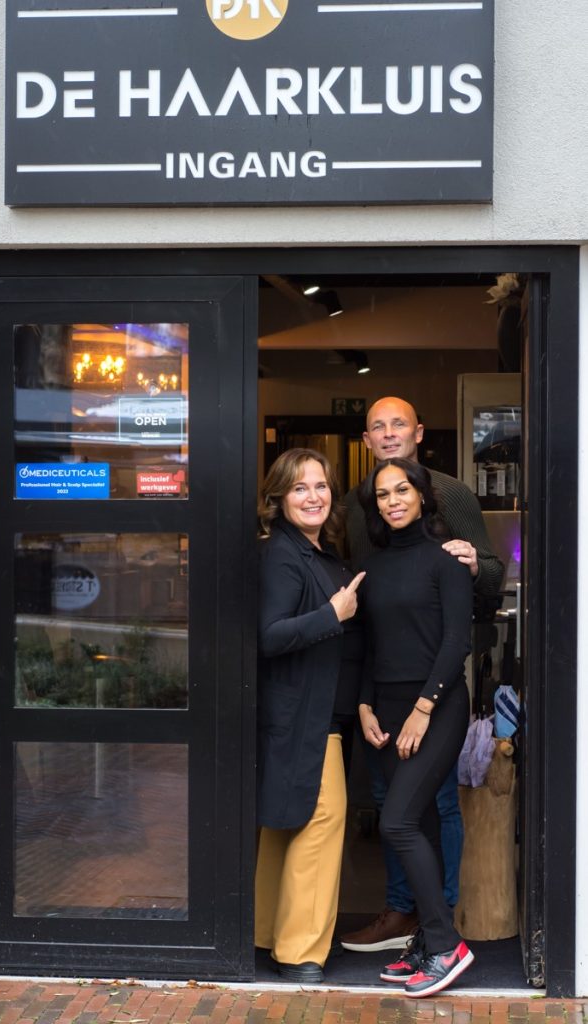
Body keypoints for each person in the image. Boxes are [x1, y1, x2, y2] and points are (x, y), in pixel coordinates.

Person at [341, 396, 504, 953]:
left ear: (418, 432)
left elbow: (478, 597)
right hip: (384, 696)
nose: (388, 434)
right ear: (366, 441)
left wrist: (474, 564)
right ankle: (407, 917)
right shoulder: (359, 512)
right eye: (377, 427)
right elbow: (367, 626)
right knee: (397, 808)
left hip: (431, 695)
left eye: (398, 424)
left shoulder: (450, 504)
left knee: (422, 811)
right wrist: (364, 702)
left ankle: (441, 924)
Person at [357, 458, 475, 997]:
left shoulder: (446, 562)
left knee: (398, 821)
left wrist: (424, 708)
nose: (393, 500)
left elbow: (457, 645)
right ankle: (427, 946)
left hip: (437, 707)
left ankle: (445, 943)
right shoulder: (373, 567)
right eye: (383, 494)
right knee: (419, 823)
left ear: (422, 496)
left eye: (402, 490)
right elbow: (367, 647)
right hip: (386, 710)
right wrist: (364, 706)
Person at [254, 448, 365, 983]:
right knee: (320, 821)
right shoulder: (283, 554)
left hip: (312, 711)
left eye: (320, 486)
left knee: (288, 824)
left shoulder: (319, 553)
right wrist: (332, 614)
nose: (313, 496)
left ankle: (267, 932)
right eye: (300, 488)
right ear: (279, 498)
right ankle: (300, 951)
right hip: (305, 715)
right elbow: (271, 636)